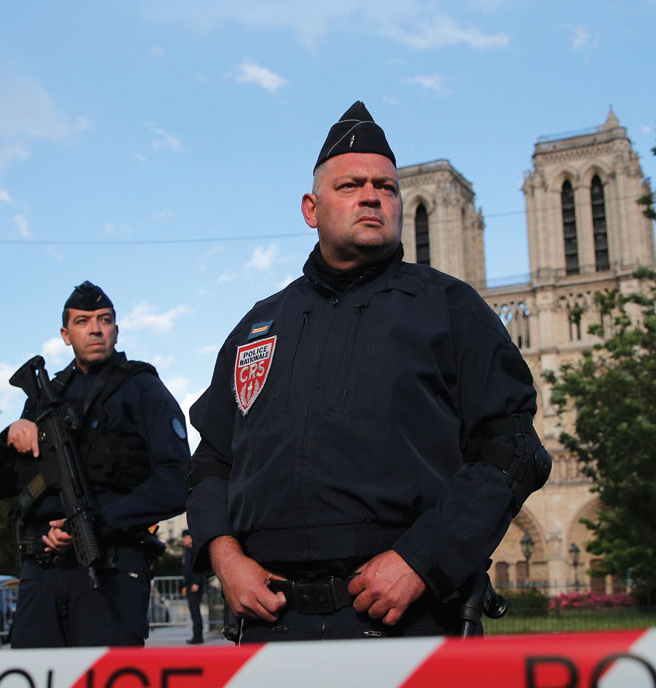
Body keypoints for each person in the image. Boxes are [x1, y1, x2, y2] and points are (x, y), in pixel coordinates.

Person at [187, 101, 550, 643]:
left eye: (386, 187)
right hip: (271, 623)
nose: (372, 196)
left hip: (407, 615)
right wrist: (225, 557)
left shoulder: (450, 309)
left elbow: (512, 451)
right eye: (350, 185)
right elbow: (212, 462)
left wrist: (421, 560)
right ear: (311, 209)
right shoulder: (258, 327)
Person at [0, 281, 189, 647]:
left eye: (104, 320)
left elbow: (177, 481)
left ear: (116, 330)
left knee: (106, 671)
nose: (95, 329)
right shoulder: (45, 398)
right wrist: (7, 437)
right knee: (34, 671)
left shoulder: (142, 388)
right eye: (82, 321)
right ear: (66, 335)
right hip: (42, 573)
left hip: (110, 566)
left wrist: (98, 522)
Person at [181, 529, 205, 644]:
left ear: (191, 538)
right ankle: (196, 635)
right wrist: (185, 586)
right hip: (190, 585)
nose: (183, 540)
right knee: (193, 611)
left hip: (195, 585)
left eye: (185, 537)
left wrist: (197, 582)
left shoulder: (195, 551)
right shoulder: (187, 552)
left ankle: (198, 636)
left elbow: (199, 568)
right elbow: (187, 571)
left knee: (195, 611)